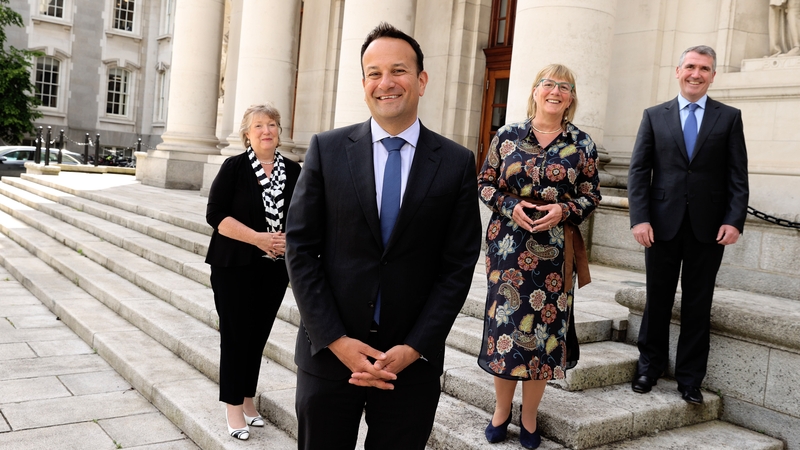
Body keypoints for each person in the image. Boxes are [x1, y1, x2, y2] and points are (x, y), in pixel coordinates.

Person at [286, 22, 482, 450]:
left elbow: (457, 266)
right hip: (330, 356)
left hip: (409, 365)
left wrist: (414, 347)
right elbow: (300, 250)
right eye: (374, 73)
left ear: (421, 81)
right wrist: (336, 340)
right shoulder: (326, 150)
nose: (386, 83)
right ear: (363, 85)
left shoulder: (455, 163)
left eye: (398, 70)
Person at [477, 64, 601, 449]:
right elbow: (484, 183)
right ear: (535, 91)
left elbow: (592, 194)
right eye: (548, 84)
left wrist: (564, 210)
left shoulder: (582, 144)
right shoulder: (507, 135)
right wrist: (509, 204)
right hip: (508, 250)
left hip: (554, 256)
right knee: (505, 332)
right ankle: (501, 411)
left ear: (571, 97)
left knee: (543, 336)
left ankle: (529, 417)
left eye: (564, 86)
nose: (555, 91)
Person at [628, 45, 749, 405]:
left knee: (699, 302)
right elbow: (638, 171)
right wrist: (640, 218)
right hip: (660, 225)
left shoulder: (729, 117)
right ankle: (649, 368)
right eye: (691, 66)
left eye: (704, 69)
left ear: (713, 76)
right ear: (678, 71)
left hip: (708, 228)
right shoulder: (654, 115)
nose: (697, 74)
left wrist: (734, 220)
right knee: (657, 299)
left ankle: (690, 379)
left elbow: (738, 175)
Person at [205, 103, 301, 440]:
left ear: (279, 131)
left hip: (274, 269)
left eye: (271, 124)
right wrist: (258, 238)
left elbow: (303, 215)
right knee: (236, 336)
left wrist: (289, 239)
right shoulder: (234, 167)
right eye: (258, 125)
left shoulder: (294, 171)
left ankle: (247, 398)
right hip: (233, 266)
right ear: (247, 134)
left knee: (257, 336)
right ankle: (233, 407)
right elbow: (216, 215)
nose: (266, 131)